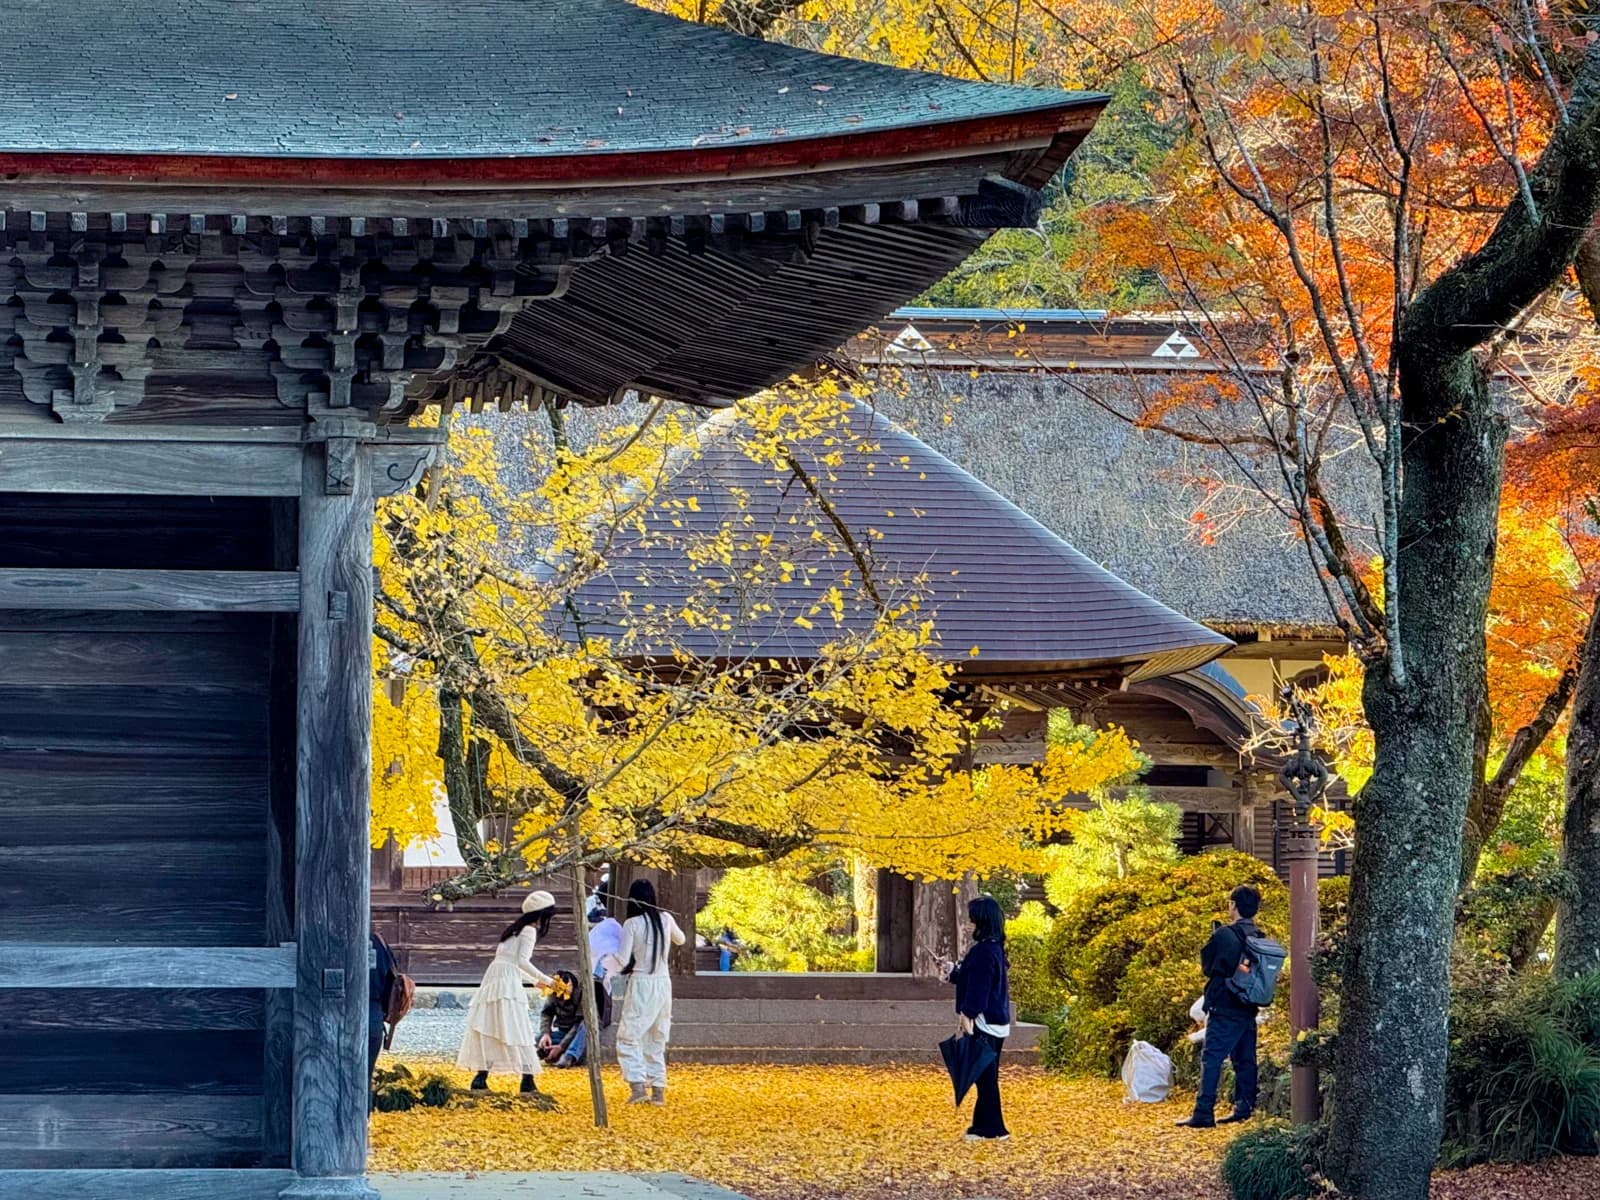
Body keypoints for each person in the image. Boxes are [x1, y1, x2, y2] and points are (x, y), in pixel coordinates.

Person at [1178, 884, 1265, 1128]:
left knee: (1212, 1057)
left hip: (1225, 1004)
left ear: (1233, 905)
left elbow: (1208, 966)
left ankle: (1204, 1112)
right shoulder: (1259, 937)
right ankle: (1244, 1107)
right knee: (1245, 1058)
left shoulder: (1225, 934)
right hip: (1248, 1004)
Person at [457, 890, 558, 1094]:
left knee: (492, 1025)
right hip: (507, 983)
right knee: (516, 1026)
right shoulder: (529, 931)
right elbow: (521, 961)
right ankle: (527, 1081)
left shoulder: (514, 929)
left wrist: (533, 981)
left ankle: (481, 1077)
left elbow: (509, 961)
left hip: (495, 978)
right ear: (541, 915)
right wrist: (547, 980)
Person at [943, 895, 1013, 1142]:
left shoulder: (984, 951)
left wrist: (967, 1014)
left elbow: (979, 990)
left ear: (981, 921)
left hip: (984, 1021)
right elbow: (975, 980)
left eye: (971, 918)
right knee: (985, 1076)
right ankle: (982, 1125)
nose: (968, 923)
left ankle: (994, 1129)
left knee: (985, 1078)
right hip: (996, 1020)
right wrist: (953, 972)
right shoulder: (993, 948)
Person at [614, 878, 686, 1106]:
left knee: (628, 1035)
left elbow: (623, 959)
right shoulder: (665, 919)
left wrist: (606, 958)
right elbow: (681, 939)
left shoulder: (632, 924)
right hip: (663, 983)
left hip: (642, 982)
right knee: (657, 1035)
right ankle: (658, 1091)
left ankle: (637, 1086)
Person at [368, 930, 398, 1102]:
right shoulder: (379, 941)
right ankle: (364, 1120)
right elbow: (391, 980)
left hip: (340, 1013)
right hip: (374, 1014)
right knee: (365, 1076)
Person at [538, 969, 590, 1067]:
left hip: (578, 1034)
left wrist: (562, 1046)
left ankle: (569, 1056)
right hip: (562, 1033)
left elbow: (578, 1023)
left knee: (585, 1025)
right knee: (538, 1040)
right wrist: (545, 1034)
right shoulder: (553, 993)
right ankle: (552, 1053)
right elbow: (546, 1013)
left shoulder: (582, 995)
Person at [588, 899, 626, 1029]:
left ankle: (602, 1021)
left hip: (598, 968)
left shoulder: (600, 931)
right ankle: (604, 1021)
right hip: (604, 968)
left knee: (601, 997)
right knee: (604, 997)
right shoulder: (615, 929)